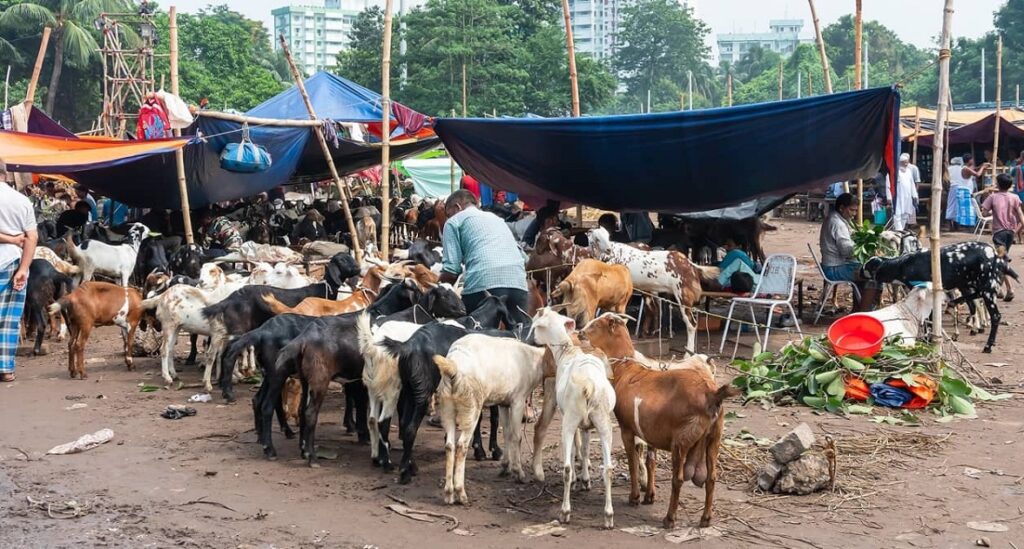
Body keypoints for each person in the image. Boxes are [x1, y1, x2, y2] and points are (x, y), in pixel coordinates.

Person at [439, 189, 529, 325]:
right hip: (518, 283)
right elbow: (525, 258)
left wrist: (437, 291)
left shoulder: (453, 222)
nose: (448, 218)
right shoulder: (497, 219)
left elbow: (451, 271)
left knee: (470, 334)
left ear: (457, 207)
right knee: (520, 335)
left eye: (448, 214)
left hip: (484, 285)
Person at [0, 173, 38, 382]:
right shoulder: (22, 200)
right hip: (14, 262)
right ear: (5, 175)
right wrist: (24, 268)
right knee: (9, 318)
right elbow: (32, 236)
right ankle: (6, 369)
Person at [982, 173, 1024, 301]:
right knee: (1001, 260)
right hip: (1010, 233)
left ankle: (1009, 289)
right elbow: (1022, 218)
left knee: (1001, 261)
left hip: (998, 234)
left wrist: (992, 209)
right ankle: (999, 288)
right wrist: (1016, 231)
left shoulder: (992, 197)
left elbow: (984, 212)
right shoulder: (1015, 197)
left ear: (998, 184)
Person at [819, 192, 859, 282]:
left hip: (831, 265)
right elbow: (847, 252)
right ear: (841, 208)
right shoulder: (838, 224)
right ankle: (864, 296)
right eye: (852, 210)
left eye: (856, 210)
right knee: (871, 273)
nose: (854, 214)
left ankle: (859, 295)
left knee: (865, 269)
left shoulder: (834, 216)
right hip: (833, 270)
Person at [946, 154, 988, 231]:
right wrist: (982, 167)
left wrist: (979, 167)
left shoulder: (950, 168)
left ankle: (952, 226)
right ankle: (967, 227)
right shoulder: (964, 168)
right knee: (966, 209)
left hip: (952, 188)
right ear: (969, 160)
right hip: (962, 190)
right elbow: (978, 174)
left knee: (952, 207)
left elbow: (973, 169)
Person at [886, 153, 920, 231]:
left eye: (907, 162)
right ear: (900, 162)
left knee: (906, 214)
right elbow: (888, 185)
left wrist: (915, 195)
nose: (906, 164)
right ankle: (899, 230)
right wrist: (889, 197)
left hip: (907, 197)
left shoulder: (908, 171)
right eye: (904, 162)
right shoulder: (893, 172)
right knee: (897, 214)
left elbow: (912, 184)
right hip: (898, 196)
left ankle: (901, 229)